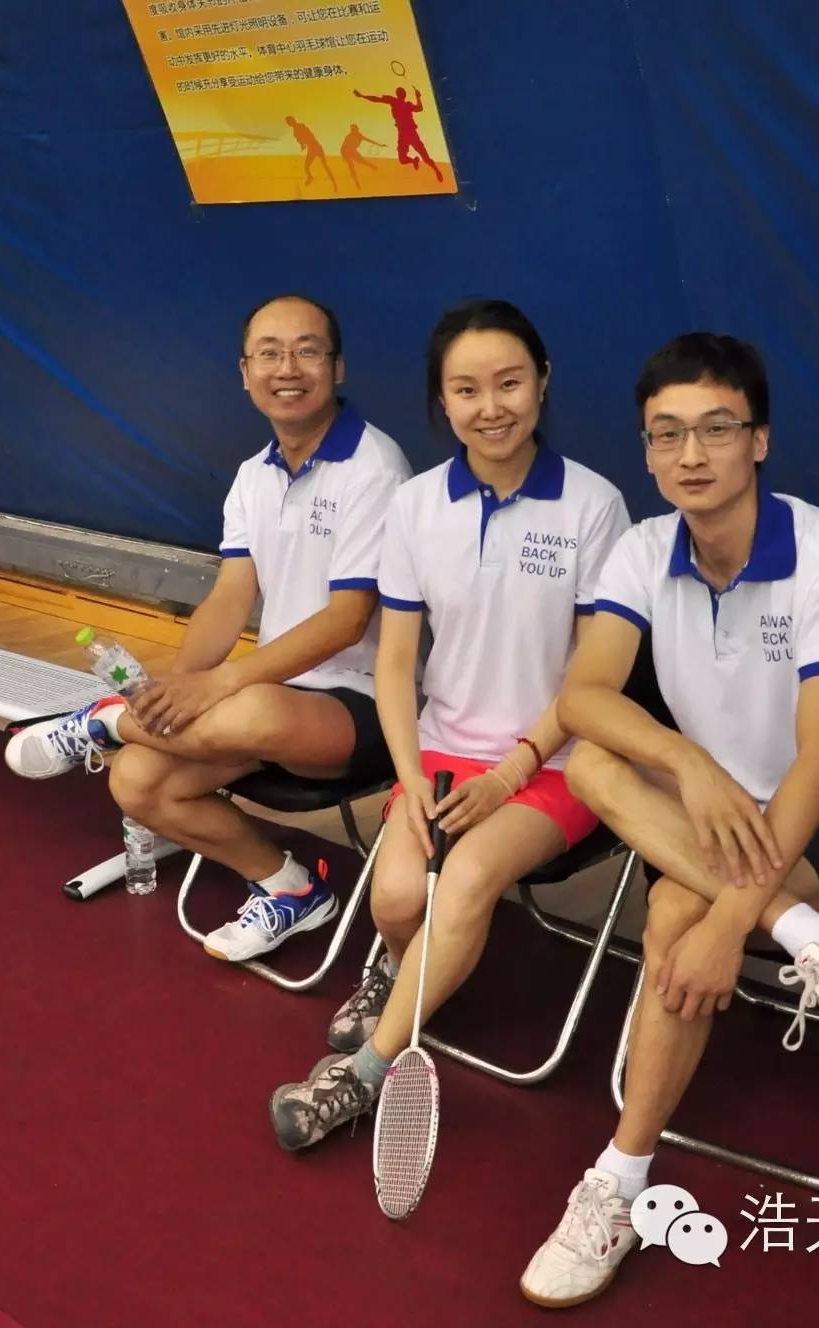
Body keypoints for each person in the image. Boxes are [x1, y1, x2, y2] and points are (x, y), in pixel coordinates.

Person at [517, 333, 819, 1308]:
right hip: (720, 809)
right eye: (666, 434)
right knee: (599, 759)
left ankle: (617, 1179)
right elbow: (582, 695)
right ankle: (816, 942)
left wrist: (728, 917)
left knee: (674, 915)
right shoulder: (639, 549)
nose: (689, 454)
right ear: (647, 450)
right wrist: (689, 762)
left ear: (759, 440)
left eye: (714, 429)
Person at [267, 300, 630, 1150]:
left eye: (509, 383)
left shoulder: (594, 505)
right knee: (396, 898)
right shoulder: (417, 504)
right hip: (439, 753)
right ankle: (409, 975)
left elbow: (594, 677)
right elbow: (396, 664)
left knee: (463, 881)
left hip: (555, 762)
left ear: (543, 382)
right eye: (466, 390)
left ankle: (360, 1075)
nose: (490, 407)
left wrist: (511, 773)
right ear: (442, 399)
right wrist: (408, 779)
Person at [5, 295, 411, 961]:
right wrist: (174, 692)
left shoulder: (376, 467)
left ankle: (103, 722)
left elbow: (347, 621)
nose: (288, 368)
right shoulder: (253, 476)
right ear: (245, 373)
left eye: (308, 351)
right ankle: (289, 888)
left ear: (337, 368)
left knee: (247, 707)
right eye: (269, 354)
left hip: (365, 702)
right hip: (270, 695)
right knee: (136, 782)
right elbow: (229, 598)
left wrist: (213, 687)